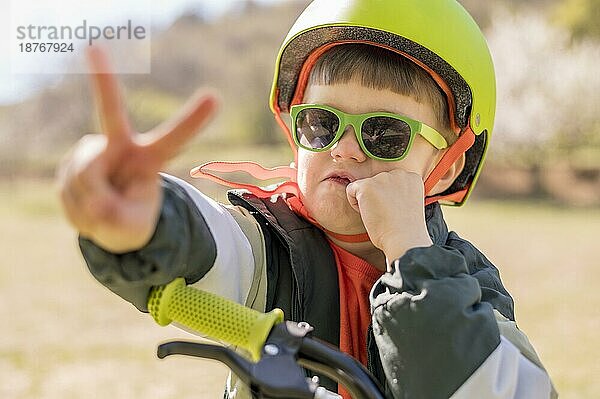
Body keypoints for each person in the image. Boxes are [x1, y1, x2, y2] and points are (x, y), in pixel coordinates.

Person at [57, 0, 557, 397]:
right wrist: (147, 220)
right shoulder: (272, 248)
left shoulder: (468, 284)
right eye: (321, 124)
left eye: (385, 134)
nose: (342, 148)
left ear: (444, 163)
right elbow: (212, 247)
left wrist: (410, 250)